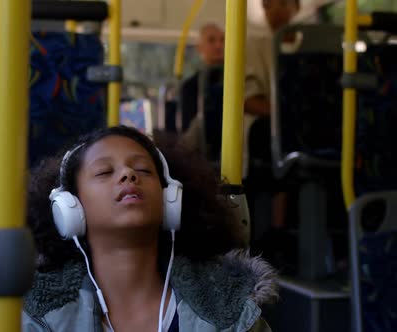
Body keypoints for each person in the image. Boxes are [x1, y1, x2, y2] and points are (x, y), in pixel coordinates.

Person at [23, 125, 277, 331]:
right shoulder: (34, 317)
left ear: (170, 200)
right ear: (68, 207)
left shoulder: (228, 311)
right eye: (104, 172)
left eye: (143, 169)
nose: (128, 174)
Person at [244, 0, 300, 264]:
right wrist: (287, 115)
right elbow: (248, 99)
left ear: (296, 6)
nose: (273, 10)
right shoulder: (256, 45)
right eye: (267, 5)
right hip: (275, 125)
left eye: (280, 3)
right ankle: (275, 232)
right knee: (271, 134)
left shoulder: (315, 44)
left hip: (314, 126)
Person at [180, 23, 225, 157]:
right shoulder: (190, 86)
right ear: (199, 48)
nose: (219, 45)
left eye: (223, 40)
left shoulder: (240, 78)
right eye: (211, 40)